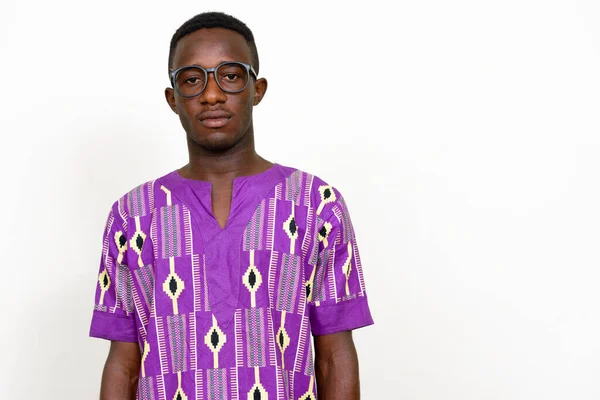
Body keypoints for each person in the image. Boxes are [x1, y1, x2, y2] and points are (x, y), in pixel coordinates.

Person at [89, 11, 374, 400]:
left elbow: (334, 357)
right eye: (192, 79)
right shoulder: (133, 215)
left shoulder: (317, 205)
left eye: (231, 75)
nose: (212, 94)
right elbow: (124, 362)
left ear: (257, 89)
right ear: (173, 99)